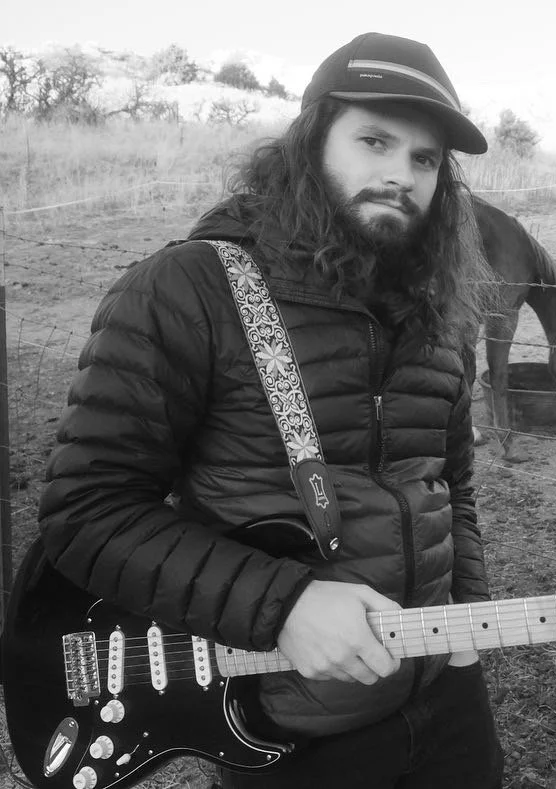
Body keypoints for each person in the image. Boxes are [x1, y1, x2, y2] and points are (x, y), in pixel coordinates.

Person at [37, 32, 503, 788]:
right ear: (312, 138)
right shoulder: (190, 291)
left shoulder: (441, 317)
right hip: (286, 727)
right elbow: (85, 511)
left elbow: (452, 485)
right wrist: (281, 603)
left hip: (443, 701)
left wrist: (466, 619)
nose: (401, 175)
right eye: (375, 141)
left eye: (424, 160)